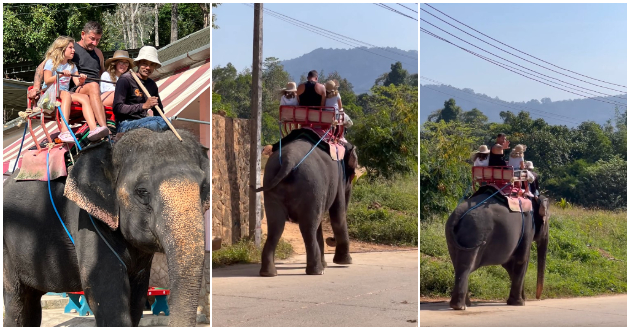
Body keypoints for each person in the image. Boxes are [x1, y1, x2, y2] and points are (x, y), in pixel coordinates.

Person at [27, 21, 109, 136]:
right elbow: (42, 68)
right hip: (73, 89)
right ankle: (104, 128)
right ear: (83, 34)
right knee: (93, 87)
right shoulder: (70, 49)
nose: (94, 43)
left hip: (92, 91)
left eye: (98, 40)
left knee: (115, 92)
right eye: (92, 39)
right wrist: (36, 87)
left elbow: (102, 73)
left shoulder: (98, 53)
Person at [41, 36, 110, 142]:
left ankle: (93, 129)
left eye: (73, 48)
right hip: (50, 92)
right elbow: (47, 80)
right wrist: (60, 75)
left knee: (84, 97)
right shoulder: (51, 62)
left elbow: (77, 83)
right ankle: (64, 130)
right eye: (70, 48)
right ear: (62, 49)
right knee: (66, 94)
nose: (73, 50)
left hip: (64, 92)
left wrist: (82, 80)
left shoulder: (71, 66)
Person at [113, 46, 167, 134]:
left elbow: (159, 111)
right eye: (145, 64)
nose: (148, 68)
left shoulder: (152, 84)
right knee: (155, 124)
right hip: (125, 123)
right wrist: (143, 106)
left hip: (144, 121)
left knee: (166, 121)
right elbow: (117, 108)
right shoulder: (125, 79)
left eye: (152, 64)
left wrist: (164, 121)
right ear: (138, 63)